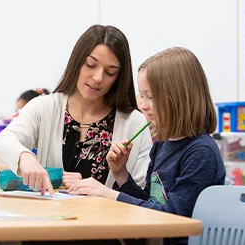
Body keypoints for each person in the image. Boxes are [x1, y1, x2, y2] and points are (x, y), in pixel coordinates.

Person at [67, 47, 226, 245]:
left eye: (151, 96)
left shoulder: (200, 152)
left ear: (180, 98)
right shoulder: (162, 145)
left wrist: (109, 194)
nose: (143, 105)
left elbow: (173, 217)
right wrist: (121, 174)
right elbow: (150, 204)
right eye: (141, 95)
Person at [0, 24, 152, 196]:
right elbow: (4, 141)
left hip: (108, 222)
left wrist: (103, 192)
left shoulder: (134, 122)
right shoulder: (45, 108)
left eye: (110, 72)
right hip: (51, 221)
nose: (98, 78)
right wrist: (25, 156)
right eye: (91, 65)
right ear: (77, 61)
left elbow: (143, 197)